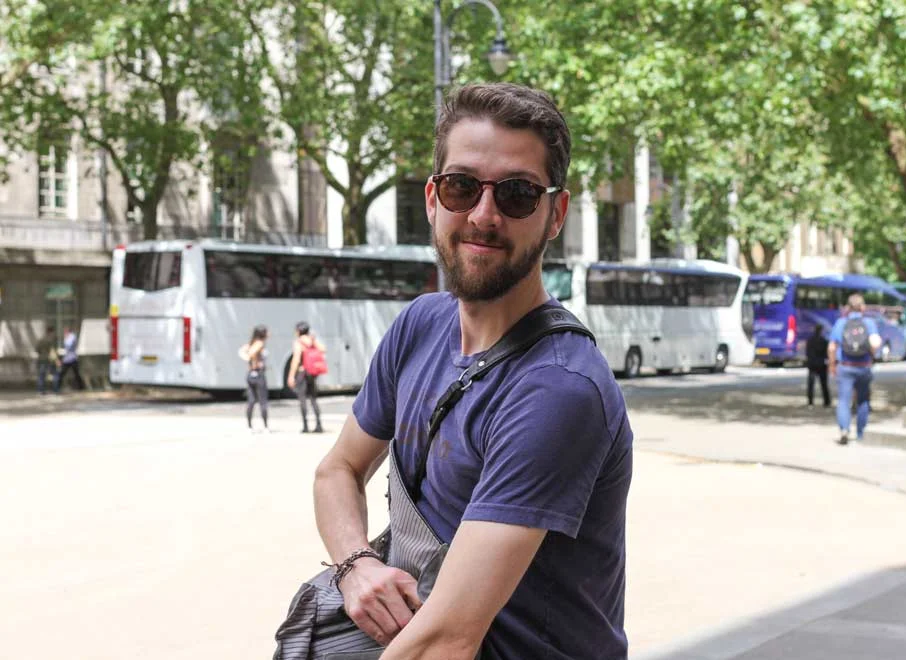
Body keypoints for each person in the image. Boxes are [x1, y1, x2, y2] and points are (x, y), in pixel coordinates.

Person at [311, 83, 633, 659]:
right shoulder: (420, 325)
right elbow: (337, 469)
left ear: (555, 213)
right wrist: (356, 566)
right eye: (462, 187)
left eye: (516, 195)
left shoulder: (558, 388)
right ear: (433, 198)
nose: (483, 216)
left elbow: (447, 640)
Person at [828, 293, 882, 444]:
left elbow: (832, 347)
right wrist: (871, 356)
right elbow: (875, 343)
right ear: (863, 307)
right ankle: (860, 433)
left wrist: (832, 365)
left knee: (844, 401)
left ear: (847, 308)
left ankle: (844, 429)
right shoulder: (869, 323)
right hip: (863, 367)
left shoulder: (841, 323)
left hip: (845, 367)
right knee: (863, 401)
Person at [287, 321, 325, 434]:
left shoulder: (298, 342)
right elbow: (323, 350)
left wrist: (291, 376)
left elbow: (296, 359)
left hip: (302, 373)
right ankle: (319, 425)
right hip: (312, 374)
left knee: (302, 399)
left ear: (298, 331)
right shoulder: (312, 341)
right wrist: (313, 341)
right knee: (313, 399)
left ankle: (305, 426)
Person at [239, 324, 270, 432]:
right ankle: (265, 426)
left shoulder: (251, 343)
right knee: (263, 401)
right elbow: (252, 353)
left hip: (250, 374)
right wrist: (255, 362)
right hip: (258, 374)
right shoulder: (260, 343)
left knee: (251, 401)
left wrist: (250, 361)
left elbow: (242, 351)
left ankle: (249, 426)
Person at [805, 323, 831, 407]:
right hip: (821, 365)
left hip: (812, 364)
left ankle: (810, 402)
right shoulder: (824, 341)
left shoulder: (810, 340)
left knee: (811, 385)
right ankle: (826, 401)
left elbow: (807, 353)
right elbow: (827, 354)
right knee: (824, 384)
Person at [54, 325, 83, 393]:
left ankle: (80, 387)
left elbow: (69, 346)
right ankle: (57, 387)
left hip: (72, 358)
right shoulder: (67, 337)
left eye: (65, 331)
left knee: (76, 373)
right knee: (62, 373)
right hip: (67, 358)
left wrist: (66, 338)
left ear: (68, 331)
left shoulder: (72, 336)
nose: (64, 332)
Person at [34, 326, 58, 395]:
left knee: (41, 375)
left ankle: (40, 390)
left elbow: (36, 349)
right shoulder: (51, 340)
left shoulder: (41, 339)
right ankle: (55, 390)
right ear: (51, 332)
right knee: (54, 374)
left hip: (41, 359)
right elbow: (53, 351)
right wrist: (56, 360)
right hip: (49, 360)